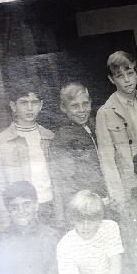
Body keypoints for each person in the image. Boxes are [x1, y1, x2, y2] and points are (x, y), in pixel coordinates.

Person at [0, 78, 55, 228]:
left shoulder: (49, 137)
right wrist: (7, 220)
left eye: (34, 102)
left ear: (41, 105)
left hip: (49, 205)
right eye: (24, 102)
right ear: (13, 106)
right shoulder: (0, 142)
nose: (30, 108)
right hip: (21, 211)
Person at [95, 50, 137, 213]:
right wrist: (118, 196)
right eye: (120, 76)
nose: (127, 80)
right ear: (111, 79)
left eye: (130, 73)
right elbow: (107, 161)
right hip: (130, 186)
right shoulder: (105, 113)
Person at [51, 82, 108, 225]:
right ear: (64, 108)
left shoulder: (97, 125)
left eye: (85, 104)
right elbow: (66, 181)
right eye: (75, 106)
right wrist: (85, 206)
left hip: (108, 200)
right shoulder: (62, 138)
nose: (82, 110)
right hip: (87, 207)